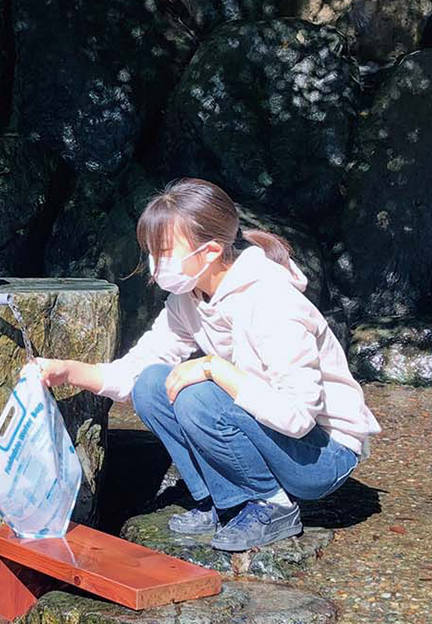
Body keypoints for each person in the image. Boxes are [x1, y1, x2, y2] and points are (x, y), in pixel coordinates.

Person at [34, 178, 379, 552]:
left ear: (211, 250)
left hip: (321, 456)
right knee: (152, 384)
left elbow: (298, 418)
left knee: (198, 394)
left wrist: (215, 368)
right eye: (152, 251)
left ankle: (272, 504)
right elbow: (139, 368)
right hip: (280, 435)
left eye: (164, 251)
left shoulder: (273, 304)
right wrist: (67, 371)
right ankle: (224, 499)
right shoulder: (189, 298)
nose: (156, 264)